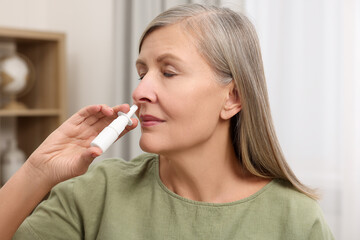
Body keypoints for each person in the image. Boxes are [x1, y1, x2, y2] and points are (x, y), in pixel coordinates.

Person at [0, 3, 334, 239]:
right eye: (142, 72)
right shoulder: (95, 193)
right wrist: (37, 173)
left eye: (169, 72)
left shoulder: (296, 219)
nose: (140, 91)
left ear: (232, 97)